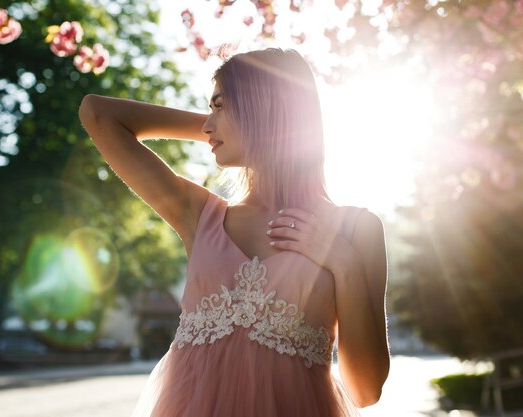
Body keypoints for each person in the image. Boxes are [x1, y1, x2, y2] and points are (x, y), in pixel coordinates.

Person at [79, 47, 390, 417]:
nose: (208, 125)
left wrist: (344, 262)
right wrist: (227, 128)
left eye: (219, 107)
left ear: (264, 107)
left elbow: (365, 391)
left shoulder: (357, 230)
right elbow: (97, 113)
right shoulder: (198, 215)